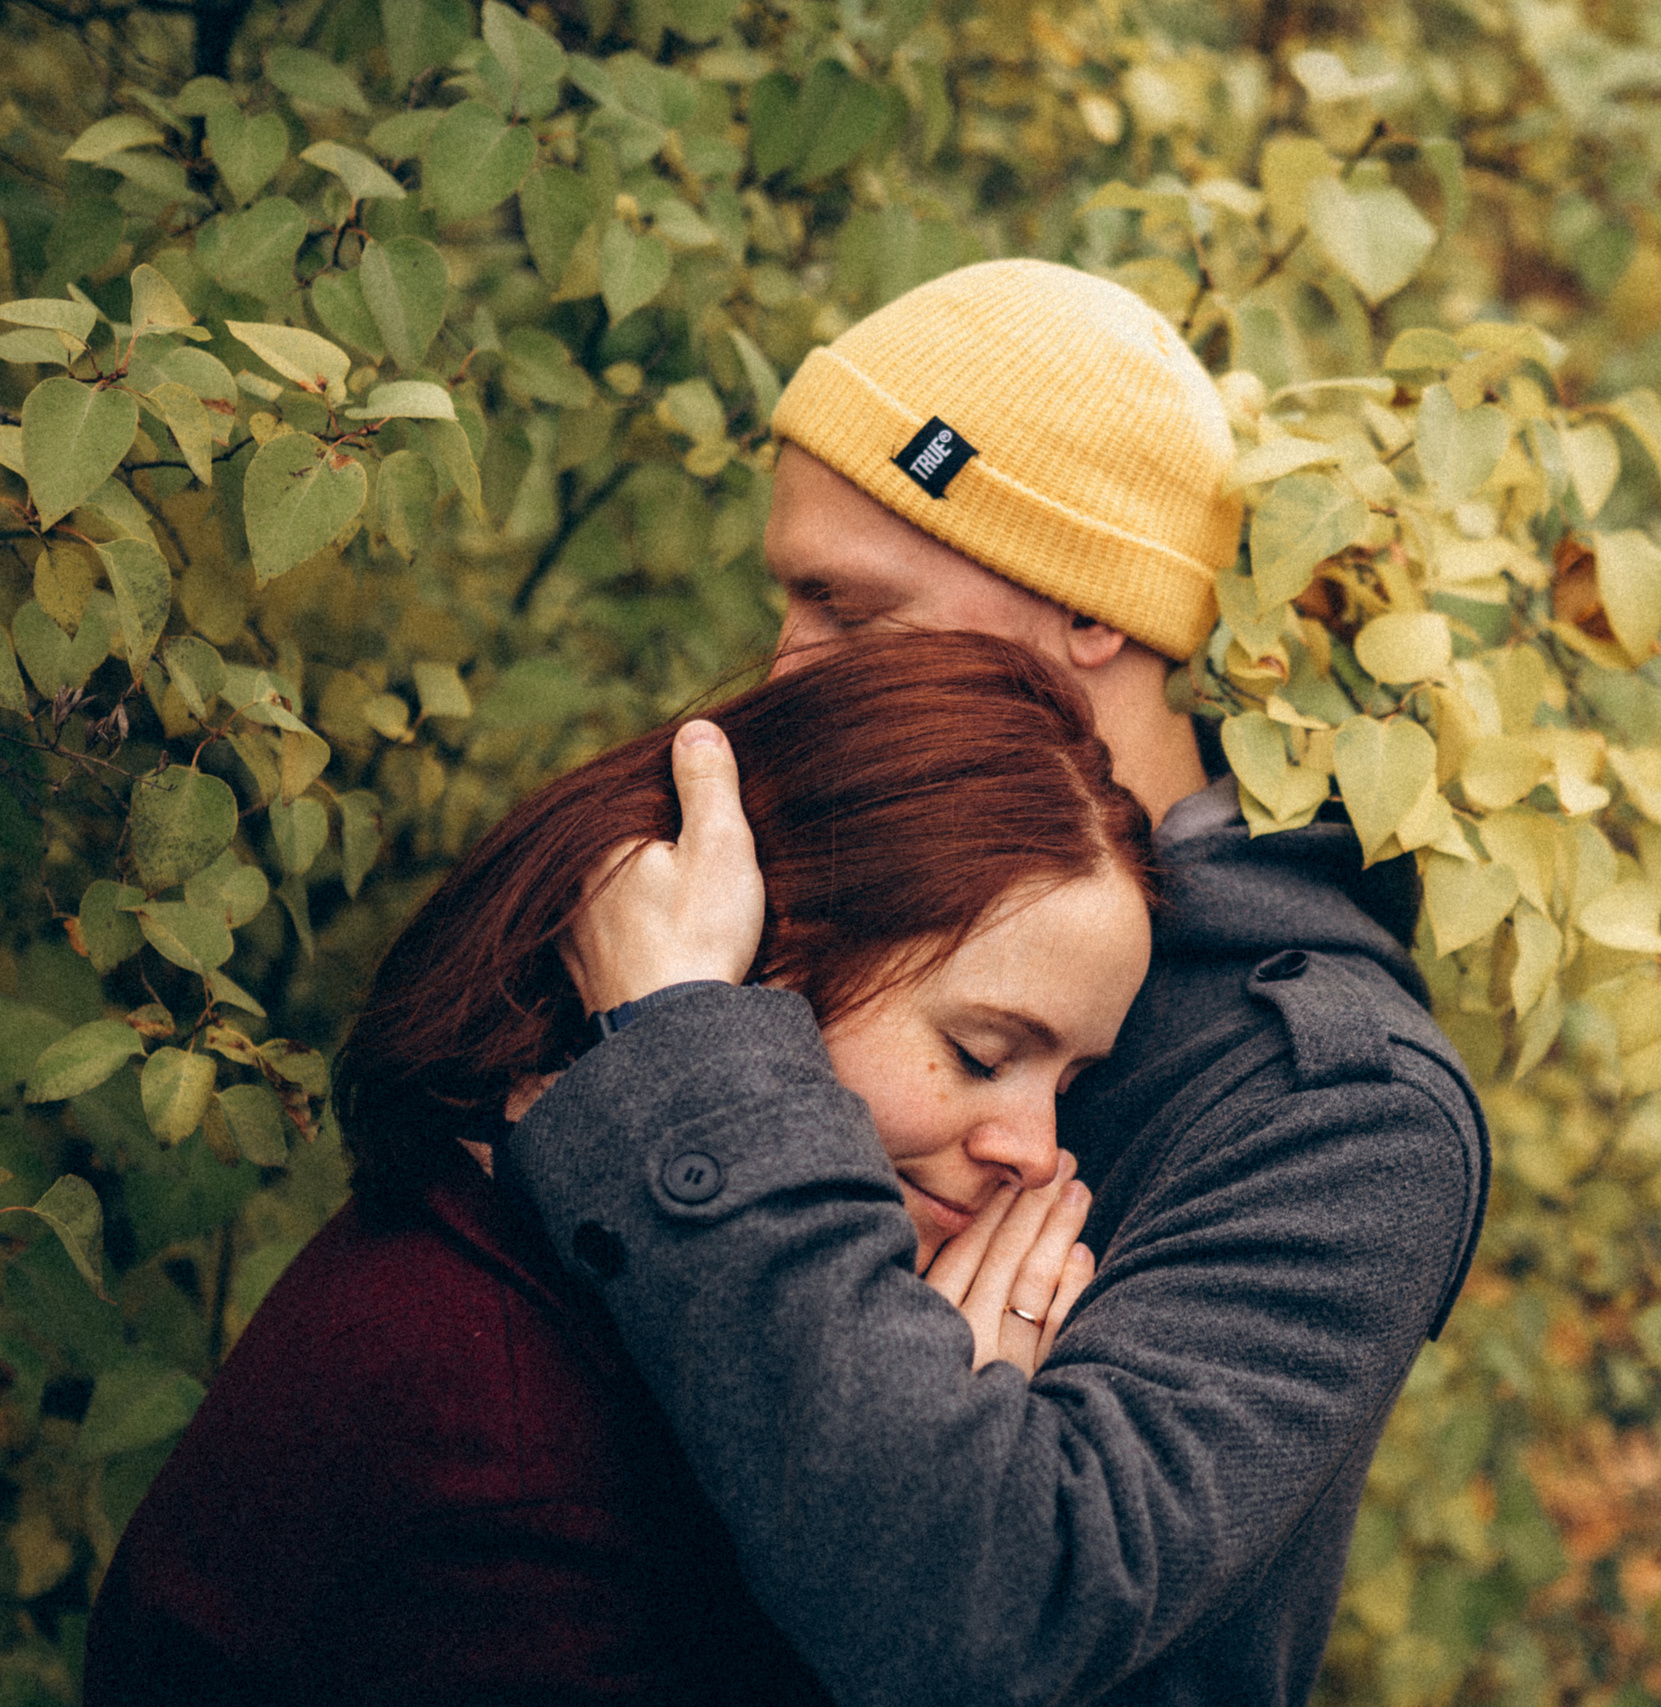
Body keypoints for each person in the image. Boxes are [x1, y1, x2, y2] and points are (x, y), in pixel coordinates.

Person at [497, 258, 1493, 1706]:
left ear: (1093, 607)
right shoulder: (792, 877)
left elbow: (1001, 1608)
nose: (785, 669)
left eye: (849, 604)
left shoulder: (1336, 1106)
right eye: (789, 596)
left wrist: (683, 1055)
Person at [84, 632, 1158, 1705]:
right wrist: (925, 1501)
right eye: (983, 1053)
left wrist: (898, 1433)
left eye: (1068, 1084)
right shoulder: (502, 1446)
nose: (1037, 1150)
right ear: (755, 954)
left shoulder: (530, 1259)